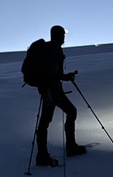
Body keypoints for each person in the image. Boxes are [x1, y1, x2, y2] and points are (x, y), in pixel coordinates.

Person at [36, 25, 86, 166]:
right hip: (52, 92)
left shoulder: (48, 49)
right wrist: (63, 78)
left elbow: (55, 74)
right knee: (68, 113)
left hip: (48, 90)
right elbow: (54, 74)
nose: (64, 37)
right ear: (57, 36)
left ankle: (43, 155)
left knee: (46, 122)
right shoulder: (55, 50)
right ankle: (68, 148)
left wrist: (65, 77)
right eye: (62, 35)